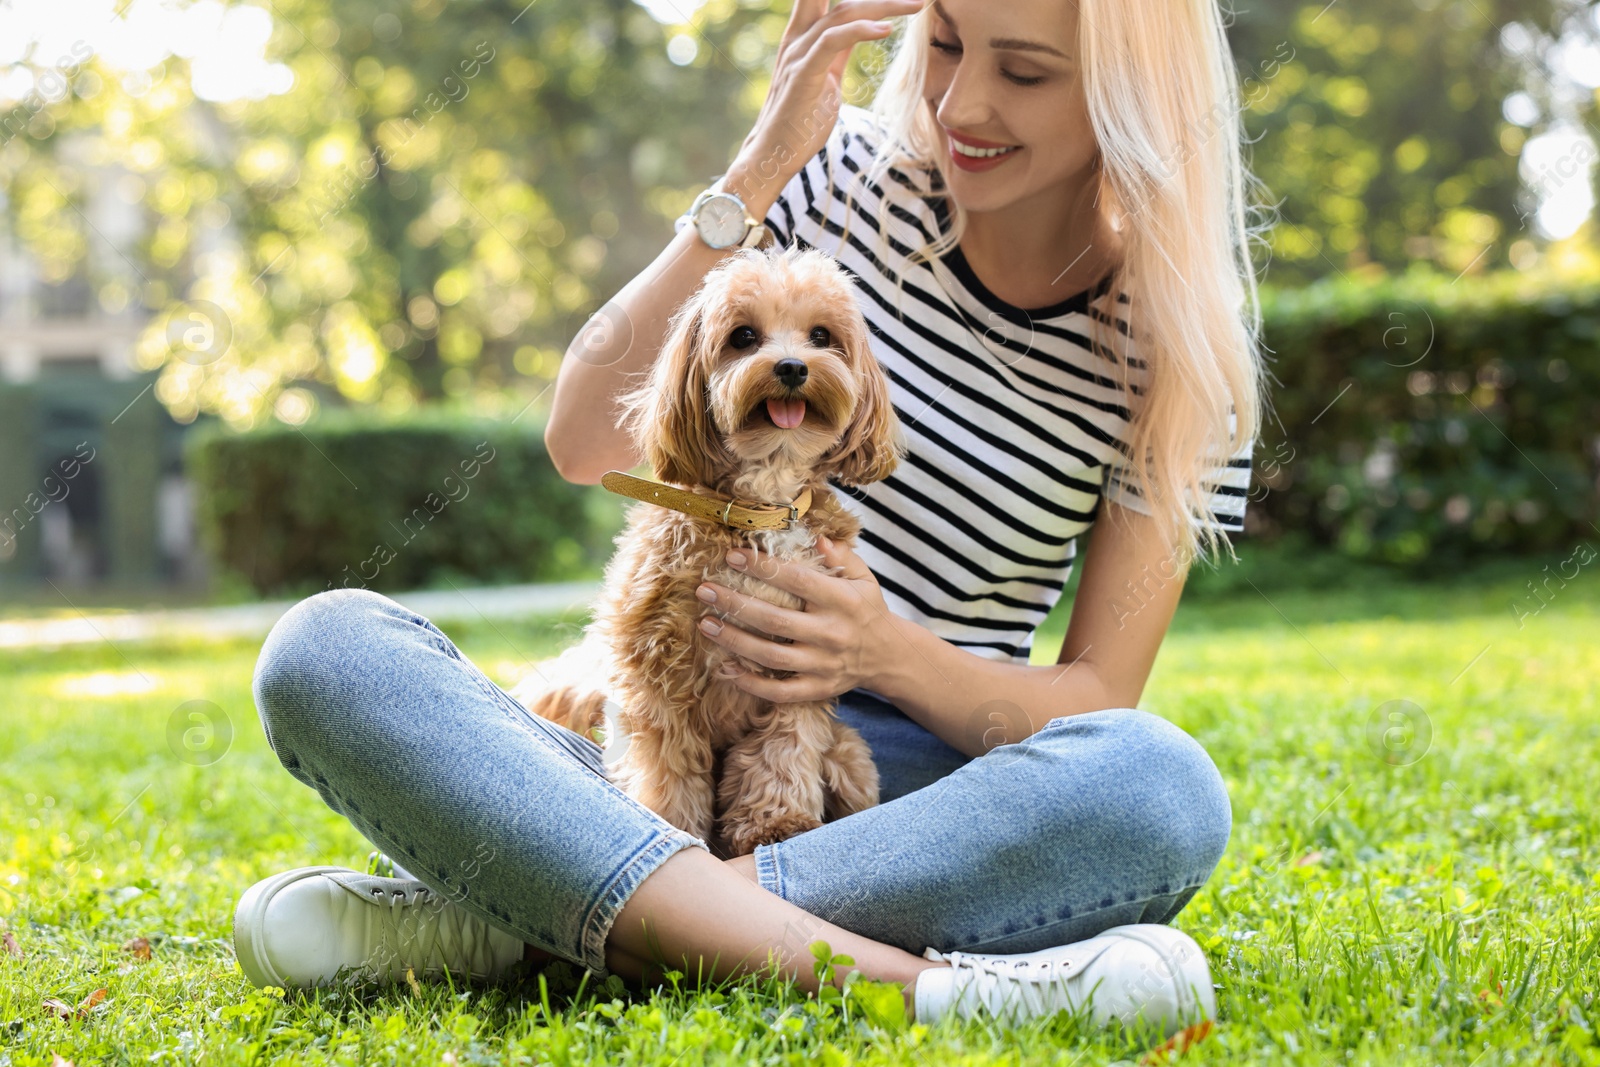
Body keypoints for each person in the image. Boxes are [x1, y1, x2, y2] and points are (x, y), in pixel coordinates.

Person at [234, 0, 1265, 1033]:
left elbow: (1096, 697)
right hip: (649, 745)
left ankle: (531, 916)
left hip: (890, 796)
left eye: (1026, 72)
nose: (961, 100)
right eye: (945, 41)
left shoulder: (1173, 359)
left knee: (1158, 786)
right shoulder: (835, 176)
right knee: (327, 650)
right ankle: (921, 990)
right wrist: (759, 166)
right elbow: (583, 438)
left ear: (1130, 102)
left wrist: (881, 651)